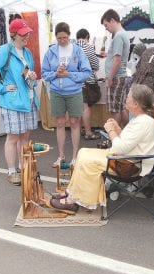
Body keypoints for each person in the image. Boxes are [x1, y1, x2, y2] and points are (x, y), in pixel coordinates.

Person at [50, 84, 154, 212]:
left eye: (128, 96)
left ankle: (73, 201)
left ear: (136, 104)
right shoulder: (141, 119)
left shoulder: (143, 122)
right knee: (83, 152)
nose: (125, 98)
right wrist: (118, 129)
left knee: (87, 162)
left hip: (129, 165)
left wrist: (111, 131)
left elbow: (120, 148)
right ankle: (72, 192)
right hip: (126, 160)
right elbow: (129, 142)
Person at [0, 18, 39, 185]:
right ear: (14, 34)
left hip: (28, 100)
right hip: (12, 102)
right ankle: (12, 171)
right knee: (13, 137)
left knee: (25, 137)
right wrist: (1, 88)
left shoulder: (27, 53)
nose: (26, 36)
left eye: (27, 33)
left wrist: (33, 78)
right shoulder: (5, 51)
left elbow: (28, 77)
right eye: (23, 34)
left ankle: (22, 167)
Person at [42, 22, 92, 167]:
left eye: (65, 37)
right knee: (59, 123)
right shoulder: (51, 51)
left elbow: (86, 72)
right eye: (59, 38)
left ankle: (75, 156)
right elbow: (44, 73)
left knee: (75, 123)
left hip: (74, 92)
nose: (62, 40)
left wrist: (70, 74)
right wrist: (55, 73)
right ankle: (61, 156)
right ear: (56, 38)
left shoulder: (78, 51)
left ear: (70, 36)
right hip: (57, 92)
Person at [101, 9, 130, 128]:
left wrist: (110, 78)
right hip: (121, 76)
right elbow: (118, 57)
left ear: (112, 20)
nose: (106, 28)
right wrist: (108, 55)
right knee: (120, 107)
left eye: (106, 25)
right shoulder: (123, 34)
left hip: (116, 77)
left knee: (115, 111)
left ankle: (115, 140)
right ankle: (126, 134)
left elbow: (117, 60)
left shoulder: (118, 36)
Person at [76, 28, 100, 140]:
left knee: (79, 107)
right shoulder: (89, 47)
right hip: (86, 81)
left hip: (74, 81)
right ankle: (88, 132)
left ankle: (79, 130)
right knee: (85, 108)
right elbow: (96, 65)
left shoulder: (71, 47)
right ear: (87, 37)